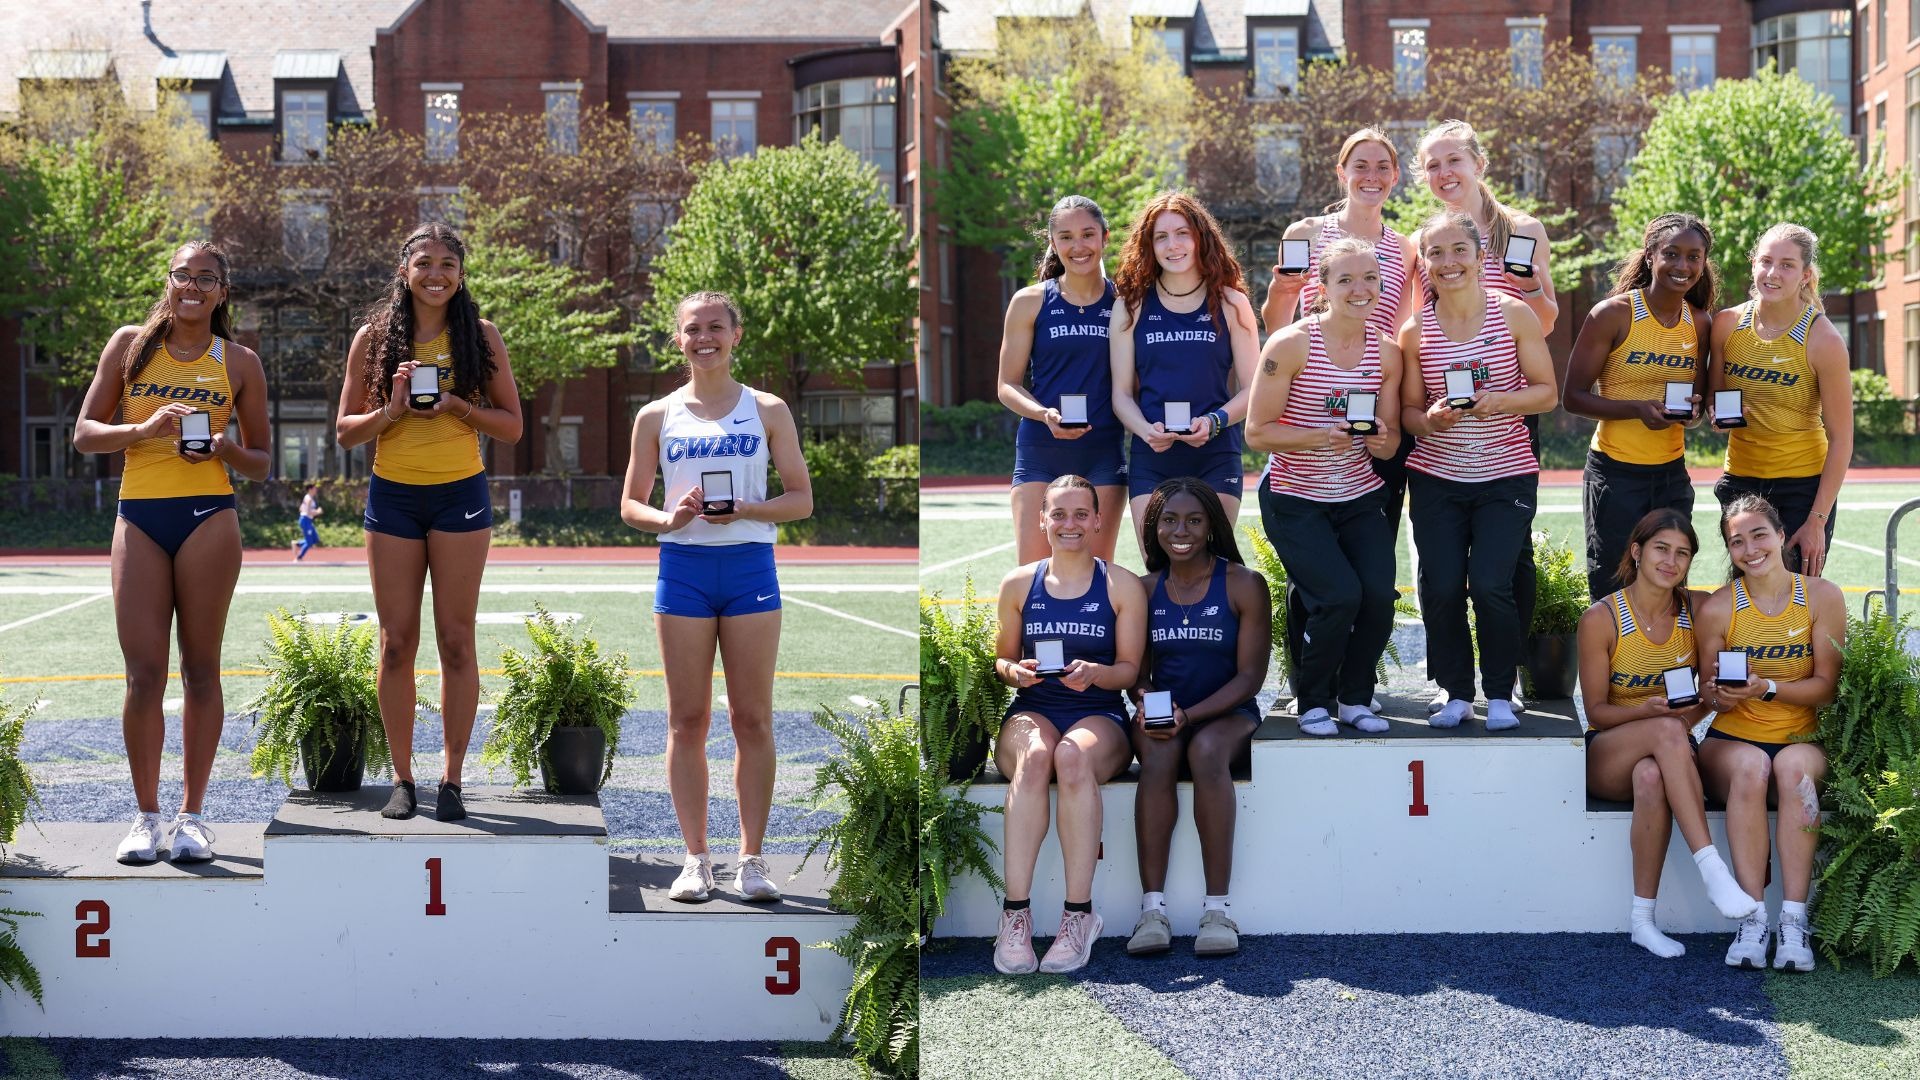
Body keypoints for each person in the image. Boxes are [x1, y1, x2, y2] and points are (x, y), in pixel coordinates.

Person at [76, 242, 271, 864]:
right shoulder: (129, 345)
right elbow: (84, 434)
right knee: (142, 674)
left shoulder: (239, 361)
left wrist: (222, 446)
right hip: (140, 515)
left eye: (205, 278)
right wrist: (144, 428)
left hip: (208, 515)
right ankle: (145, 817)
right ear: (169, 282)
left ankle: (192, 817)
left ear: (222, 291)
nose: (192, 286)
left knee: (201, 670)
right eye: (183, 275)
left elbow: (261, 462)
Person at [620, 291, 812, 903]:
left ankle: (751, 860)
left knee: (752, 718)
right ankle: (696, 859)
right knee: (687, 720)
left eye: (715, 327)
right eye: (692, 329)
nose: (704, 338)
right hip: (683, 570)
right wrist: (668, 520)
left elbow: (801, 499)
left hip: (750, 566)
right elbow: (630, 505)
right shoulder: (656, 415)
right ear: (678, 339)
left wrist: (747, 509)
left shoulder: (768, 409)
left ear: (736, 335)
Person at [336, 222, 523, 823]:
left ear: (461, 275)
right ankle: (402, 778)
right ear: (404, 271)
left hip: (459, 496)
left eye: (447, 264)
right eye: (424, 263)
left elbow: (512, 426)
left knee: (457, 640)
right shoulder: (373, 338)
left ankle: (451, 780)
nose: (435, 274)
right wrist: (391, 411)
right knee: (396, 644)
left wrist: (459, 406)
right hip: (393, 497)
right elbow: (345, 432)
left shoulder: (481, 335)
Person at [1578, 508, 1761, 958]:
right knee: (1662, 733)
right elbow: (1597, 711)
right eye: (1661, 548)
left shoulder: (1696, 608)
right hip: (1609, 751)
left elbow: (1707, 696)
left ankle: (1642, 921)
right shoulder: (1601, 617)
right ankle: (1712, 867)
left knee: (1652, 776)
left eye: (1682, 553)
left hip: (1670, 747)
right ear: (1637, 552)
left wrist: (1718, 697)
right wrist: (1645, 713)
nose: (1671, 561)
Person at [1415, 120, 1558, 695]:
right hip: (1444, 419)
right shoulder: (1426, 240)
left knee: (1507, 559)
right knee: (1441, 567)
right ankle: (1449, 681)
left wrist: (1525, 291)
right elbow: (1416, 325)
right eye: (1433, 165)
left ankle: (1508, 676)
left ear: (1479, 163)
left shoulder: (1520, 230)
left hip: (1510, 405)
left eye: (1454, 160)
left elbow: (1544, 321)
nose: (1444, 173)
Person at [1247, 237, 1402, 736]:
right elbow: (1257, 433)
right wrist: (1320, 436)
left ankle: (1355, 699)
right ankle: (1313, 701)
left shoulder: (1388, 352)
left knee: (1378, 598)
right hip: (1295, 497)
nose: (1360, 289)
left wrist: (1380, 440)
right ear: (1323, 287)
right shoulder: (1290, 344)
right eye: (1346, 279)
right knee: (1338, 597)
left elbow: (1390, 443)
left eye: (1370, 278)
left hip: (1358, 495)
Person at [991, 475, 1145, 975]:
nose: (1069, 524)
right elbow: (1001, 660)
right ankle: (1014, 917)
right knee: (1037, 756)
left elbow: (1129, 670)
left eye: (1081, 514)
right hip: (1034, 709)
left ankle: (1078, 916)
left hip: (1099, 714)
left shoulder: (1120, 584)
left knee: (1070, 756)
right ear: (1042, 520)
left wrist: (1097, 673)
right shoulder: (1019, 583)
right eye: (1058, 514)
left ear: (1098, 520)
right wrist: (1015, 671)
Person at [1695, 495, 1845, 972]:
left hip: (1801, 740)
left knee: (1794, 769)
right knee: (1752, 765)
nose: (1750, 548)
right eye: (1736, 541)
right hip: (1732, 742)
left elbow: (1826, 688)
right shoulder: (1719, 608)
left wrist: (1768, 688)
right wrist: (1722, 696)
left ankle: (1794, 921)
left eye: (1759, 534)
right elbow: (1709, 694)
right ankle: (1753, 918)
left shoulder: (1822, 596)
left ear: (1782, 536)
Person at [1125, 478, 1268, 958]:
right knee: (1159, 754)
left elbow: (1249, 678)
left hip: (1228, 714)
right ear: (1153, 527)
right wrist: (1149, 704)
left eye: (1193, 520)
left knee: (1206, 751)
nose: (1180, 531)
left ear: (1211, 526)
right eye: (1169, 520)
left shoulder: (1243, 584)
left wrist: (1190, 715)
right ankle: (1152, 912)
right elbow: (1137, 674)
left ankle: (1217, 912)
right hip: (1167, 716)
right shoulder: (1144, 589)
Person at [1564, 214, 1718, 602]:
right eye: (1672, 253)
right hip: (1615, 474)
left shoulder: (1700, 323)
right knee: (1613, 586)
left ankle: (1664, 646)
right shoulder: (1612, 314)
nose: (1683, 265)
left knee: (1668, 586)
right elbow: (1573, 397)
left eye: (1694, 257)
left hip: (1671, 476)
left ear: (1703, 263)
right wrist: (1637, 409)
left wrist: (1694, 413)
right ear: (1650, 255)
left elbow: (1696, 407)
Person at [1109, 192, 1259, 555]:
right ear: (1149, 245)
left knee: (1212, 562)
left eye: (1182, 233)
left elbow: (1254, 389)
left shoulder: (1231, 302)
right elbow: (1121, 395)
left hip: (1215, 452)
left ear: (1200, 238)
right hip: (1153, 454)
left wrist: (1214, 422)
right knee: (1158, 564)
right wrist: (1145, 430)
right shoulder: (1130, 306)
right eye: (1161, 236)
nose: (1172, 245)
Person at [1708, 224, 1852, 577]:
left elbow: (1842, 440)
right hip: (1740, 481)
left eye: (1787, 265)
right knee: (1746, 592)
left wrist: (1817, 520)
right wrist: (1717, 414)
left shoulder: (1823, 340)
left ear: (1805, 275)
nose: (1773, 273)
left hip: (1801, 487)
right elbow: (1716, 398)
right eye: (1766, 261)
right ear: (1753, 264)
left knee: (1794, 596)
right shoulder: (1726, 324)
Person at [998, 195, 1126, 563]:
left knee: (1095, 574)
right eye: (1066, 237)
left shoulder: (1126, 302)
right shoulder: (1029, 301)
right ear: (1053, 243)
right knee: (1034, 574)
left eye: (1088, 234)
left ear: (1104, 237)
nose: (1078, 246)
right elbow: (1007, 385)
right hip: (1041, 451)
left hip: (1103, 453)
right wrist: (1044, 414)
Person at [295, 483, 323, 561]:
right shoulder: (309, 499)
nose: (316, 490)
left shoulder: (308, 498)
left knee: (315, 539)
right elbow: (308, 512)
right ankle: (299, 558)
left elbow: (301, 508)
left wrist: (312, 511)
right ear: (310, 489)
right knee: (309, 542)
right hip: (305, 520)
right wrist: (318, 512)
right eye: (314, 488)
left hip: (308, 521)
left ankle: (297, 544)